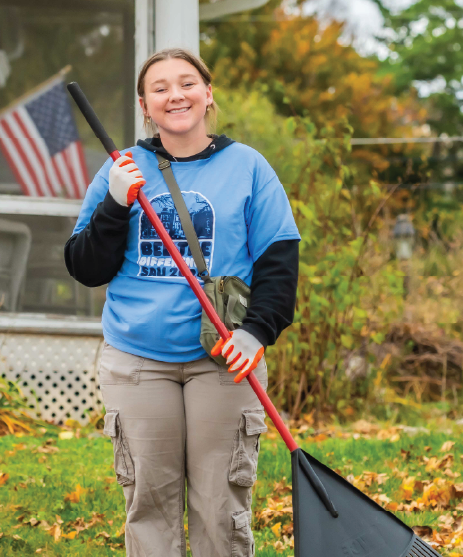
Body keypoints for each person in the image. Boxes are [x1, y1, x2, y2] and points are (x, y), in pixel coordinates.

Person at [64, 47, 300, 557]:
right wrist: (114, 202)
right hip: (138, 362)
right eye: (160, 88)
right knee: (149, 505)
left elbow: (280, 261)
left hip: (223, 362)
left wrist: (255, 332)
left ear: (208, 94)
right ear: (145, 106)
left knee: (222, 508)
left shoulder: (248, 168)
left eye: (187, 82)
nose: (176, 95)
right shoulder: (120, 170)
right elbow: (84, 267)